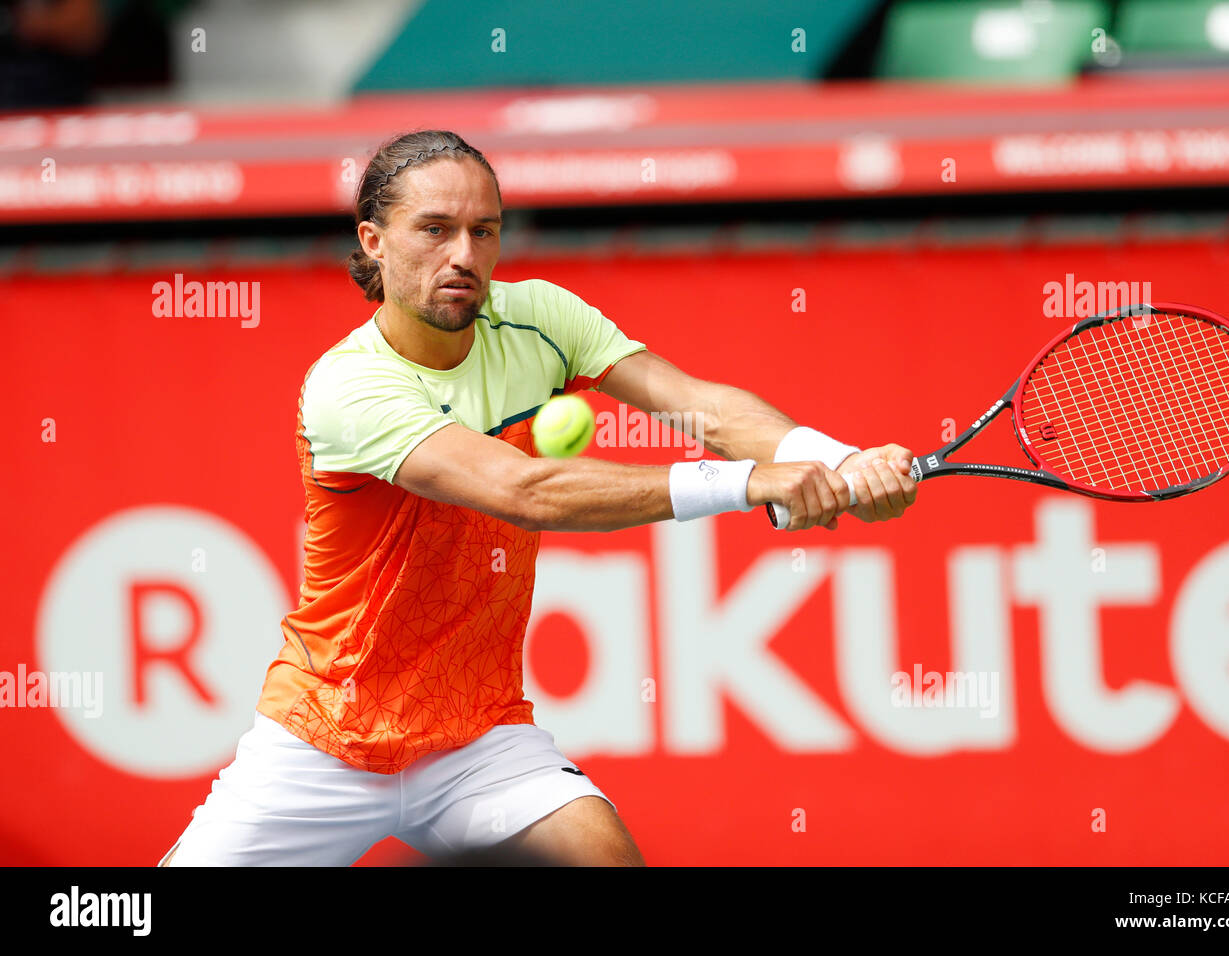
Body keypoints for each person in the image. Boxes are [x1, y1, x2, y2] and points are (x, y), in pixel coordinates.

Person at [159, 129, 918, 867]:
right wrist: (751, 483)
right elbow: (525, 490)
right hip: (322, 738)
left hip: (477, 738)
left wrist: (838, 462)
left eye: (483, 231)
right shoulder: (348, 386)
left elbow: (703, 409)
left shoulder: (541, 318)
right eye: (435, 229)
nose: (463, 255)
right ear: (373, 242)